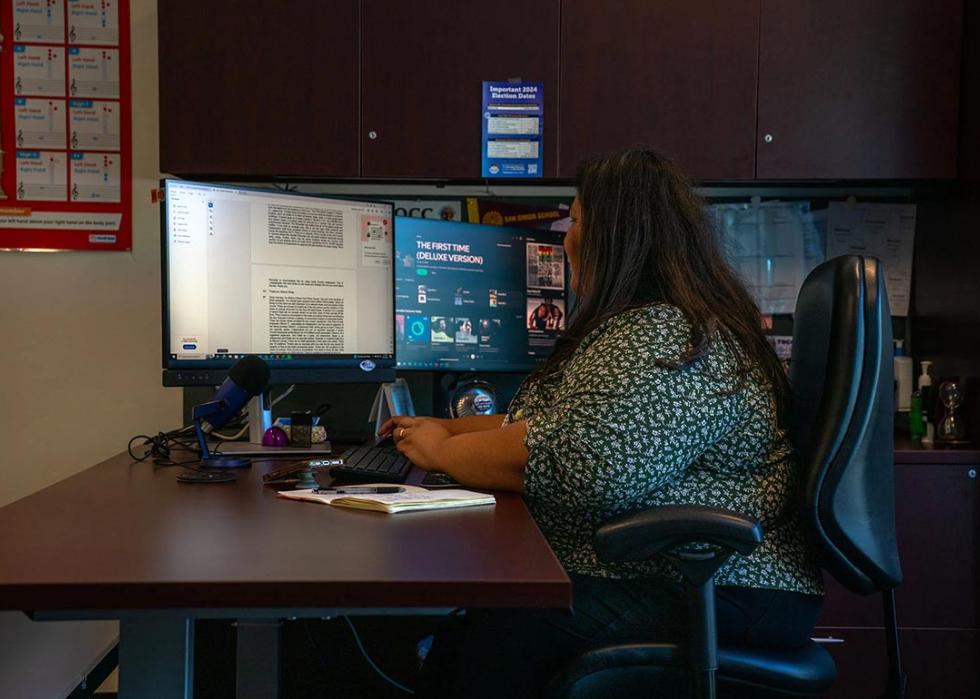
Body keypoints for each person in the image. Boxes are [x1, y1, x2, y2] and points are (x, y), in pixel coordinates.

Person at [380, 147, 823, 698]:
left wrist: (441, 454)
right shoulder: (653, 327)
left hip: (721, 585)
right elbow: (544, 424)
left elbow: (586, 467)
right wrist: (441, 431)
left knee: (487, 639)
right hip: (688, 577)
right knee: (484, 621)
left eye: (576, 218)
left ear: (615, 235)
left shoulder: (666, 337)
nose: (566, 235)